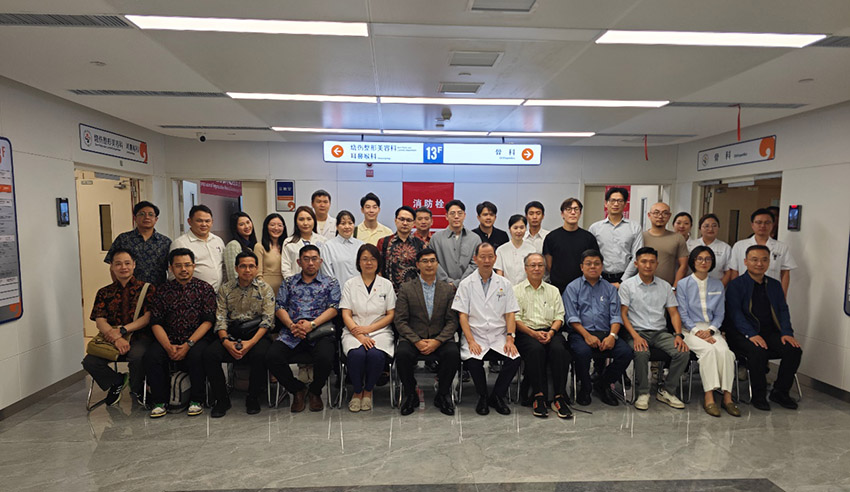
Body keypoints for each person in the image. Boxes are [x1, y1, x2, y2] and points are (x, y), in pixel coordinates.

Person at [724, 245, 802, 411]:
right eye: (754, 260)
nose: (759, 264)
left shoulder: (774, 285)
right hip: (741, 334)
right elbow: (735, 314)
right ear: (745, 262)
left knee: (793, 350)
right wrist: (750, 334)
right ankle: (758, 395)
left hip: (769, 332)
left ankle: (780, 392)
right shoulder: (736, 285)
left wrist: (787, 332)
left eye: (764, 260)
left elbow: (783, 310)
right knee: (758, 351)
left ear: (769, 262)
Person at [267, 245, 341, 413]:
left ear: (320, 261)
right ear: (299, 262)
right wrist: (292, 325)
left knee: (326, 357)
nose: (310, 263)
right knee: (272, 356)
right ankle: (297, 390)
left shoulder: (331, 282)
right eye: (306, 259)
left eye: (314, 259)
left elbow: (334, 308)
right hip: (292, 331)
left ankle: (315, 391)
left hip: (319, 331)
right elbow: (279, 307)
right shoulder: (289, 282)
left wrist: (311, 325)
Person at [144, 248, 216, 418]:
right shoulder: (162, 291)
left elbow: (208, 321)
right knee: (152, 356)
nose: (183, 269)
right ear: (171, 268)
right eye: (178, 266)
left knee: (197, 355)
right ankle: (159, 402)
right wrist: (168, 346)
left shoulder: (205, 289)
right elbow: (156, 322)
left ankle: (197, 399)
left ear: (194, 266)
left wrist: (188, 344)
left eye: (187, 265)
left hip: (196, 338)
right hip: (169, 338)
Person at [203, 251, 275, 417]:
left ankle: (253, 397)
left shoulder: (265, 289)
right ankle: (222, 399)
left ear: (256, 268)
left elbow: (267, 320)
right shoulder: (225, 289)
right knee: (210, 354)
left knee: (260, 354)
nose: (247, 270)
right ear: (236, 268)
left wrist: (251, 343)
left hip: (257, 333)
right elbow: (220, 319)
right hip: (231, 333)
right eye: (243, 266)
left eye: (251, 266)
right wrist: (226, 341)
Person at [452, 242, 521, 415]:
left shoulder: (505, 284)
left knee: (514, 359)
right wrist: (470, 341)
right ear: (475, 259)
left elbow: (510, 313)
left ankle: (497, 396)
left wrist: (510, 338)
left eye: (490, 257)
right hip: (475, 334)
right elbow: (462, 316)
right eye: (483, 257)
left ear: (495, 258)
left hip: (499, 335)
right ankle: (482, 396)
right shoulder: (466, 284)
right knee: (473, 360)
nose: (487, 260)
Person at [619, 247, 689, 411]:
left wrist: (678, 335)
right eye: (644, 261)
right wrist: (635, 336)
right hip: (636, 332)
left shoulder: (665, 286)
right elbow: (623, 314)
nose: (648, 265)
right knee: (641, 352)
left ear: (657, 264)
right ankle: (643, 393)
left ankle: (667, 390)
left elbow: (673, 313)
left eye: (652, 262)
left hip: (660, 333)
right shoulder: (627, 286)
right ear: (636, 264)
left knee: (682, 352)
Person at [82, 249, 154, 406]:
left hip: (139, 336)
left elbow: (147, 318)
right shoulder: (104, 292)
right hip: (111, 338)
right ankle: (117, 381)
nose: (123, 267)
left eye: (127, 263)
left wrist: (122, 331)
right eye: (118, 264)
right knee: (89, 361)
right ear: (112, 267)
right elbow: (100, 320)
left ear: (134, 265)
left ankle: (137, 389)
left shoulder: (147, 289)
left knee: (137, 357)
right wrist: (115, 338)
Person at [676, 246, 740, 417]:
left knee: (726, 353)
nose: (703, 262)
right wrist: (697, 331)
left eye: (708, 259)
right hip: (690, 330)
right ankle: (709, 397)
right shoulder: (683, 284)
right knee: (709, 351)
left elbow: (720, 313)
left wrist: (710, 331)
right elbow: (682, 313)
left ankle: (727, 398)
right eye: (699, 258)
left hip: (712, 329)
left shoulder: (717, 284)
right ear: (693, 261)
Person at [395, 248, 460, 416]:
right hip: (413, 338)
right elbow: (400, 320)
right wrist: (416, 341)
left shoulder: (447, 289)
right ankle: (411, 394)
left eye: (432, 261)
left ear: (437, 264)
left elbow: (452, 321)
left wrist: (437, 341)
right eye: (425, 261)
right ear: (417, 265)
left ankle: (443, 394)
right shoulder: (406, 288)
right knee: (402, 354)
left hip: (440, 338)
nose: (429, 264)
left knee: (453, 353)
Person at [564, 250, 633, 407]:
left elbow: (616, 316)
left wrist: (612, 336)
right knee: (582, 352)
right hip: (581, 333)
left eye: (597, 264)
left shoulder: (610, 289)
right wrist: (587, 336)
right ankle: (585, 388)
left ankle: (603, 383)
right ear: (581, 267)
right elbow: (572, 317)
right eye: (588, 264)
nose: (593, 267)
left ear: (602, 266)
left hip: (606, 333)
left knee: (626, 352)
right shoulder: (572, 288)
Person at [513, 253, 572, 419]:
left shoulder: (553, 290)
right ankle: (538, 395)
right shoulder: (516, 290)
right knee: (535, 350)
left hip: (550, 330)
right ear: (526, 269)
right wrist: (533, 333)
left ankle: (559, 396)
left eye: (540, 265)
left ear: (545, 268)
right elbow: (515, 318)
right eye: (533, 265)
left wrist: (551, 332)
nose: (536, 268)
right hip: (526, 332)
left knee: (559, 350)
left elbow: (559, 316)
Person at [340, 244, 396, 412]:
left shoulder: (386, 284)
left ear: (378, 262)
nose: (369, 263)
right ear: (358, 262)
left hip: (380, 331)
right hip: (354, 331)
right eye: (364, 259)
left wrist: (369, 329)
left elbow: (390, 314)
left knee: (375, 354)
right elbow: (346, 314)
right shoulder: (350, 284)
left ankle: (369, 391)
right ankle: (357, 391)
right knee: (356, 355)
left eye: (372, 259)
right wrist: (359, 334)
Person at [729, 208, 797, 297]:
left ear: (773, 224)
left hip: (771, 292)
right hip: (745, 291)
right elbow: (734, 272)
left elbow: (785, 273)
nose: (762, 226)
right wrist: (735, 294)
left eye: (767, 222)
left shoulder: (781, 247)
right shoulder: (739, 245)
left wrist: (782, 296)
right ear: (752, 225)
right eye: (759, 222)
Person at [105, 201, 171, 285]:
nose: (146, 217)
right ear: (135, 218)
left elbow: (171, 268)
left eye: (151, 214)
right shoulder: (123, 239)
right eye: (142, 214)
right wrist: (119, 287)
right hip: (129, 289)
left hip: (158, 289)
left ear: (156, 219)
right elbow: (113, 266)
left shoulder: (165, 242)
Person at [588, 187, 643, 287]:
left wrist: (623, 281)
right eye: (613, 200)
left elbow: (637, 256)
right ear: (606, 203)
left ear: (625, 204)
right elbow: (590, 255)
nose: (616, 204)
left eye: (620, 201)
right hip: (599, 278)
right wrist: (598, 278)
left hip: (627, 279)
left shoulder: (635, 227)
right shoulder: (595, 228)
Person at [544, 198, 600, 293]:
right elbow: (549, 264)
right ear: (562, 214)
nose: (573, 212)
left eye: (576, 209)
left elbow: (594, 262)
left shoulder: (588, 238)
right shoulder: (551, 237)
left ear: (580, 213)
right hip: (558, 288)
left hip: (583, 287)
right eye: (569, 209)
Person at [170, 204, 226, 291]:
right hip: (193, 295)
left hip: (219, 294)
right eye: (199, 221)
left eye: (207, 221)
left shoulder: (218, 240)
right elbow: (173, 274)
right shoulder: (180, 243)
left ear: (212, 222)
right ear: (189, 221)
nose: (204, 224)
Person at [634, 202, 688, 287]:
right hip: (640, 287)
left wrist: (675, 288)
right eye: (656, 213)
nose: (660, 216)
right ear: (649, 215)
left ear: (669, 216)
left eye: (665, 213)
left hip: (667, 287)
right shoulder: (640, 237)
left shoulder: (678, 238)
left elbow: (683, 265)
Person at [430, 199, 481, 287]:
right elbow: (433, 262)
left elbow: (475, 264)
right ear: (446, 216)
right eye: (452, 213)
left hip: (468, 287)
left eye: (460, 213)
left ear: (464, 215)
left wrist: (459, 283)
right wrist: (447, 281)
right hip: (442, 287)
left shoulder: (475, 239)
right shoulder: (436, 238)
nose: (456, 216)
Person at [377, 206, 425, 292]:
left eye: (409, 220)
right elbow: (378, 268)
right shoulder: (384, 242)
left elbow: (424, 270)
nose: (405, 223)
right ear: (395, 220)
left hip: (414, 293)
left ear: (413, 223)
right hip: (389, 292)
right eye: (402, 219)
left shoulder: (420, 244)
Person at [320, 210, 365, 288]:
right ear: (337, 226)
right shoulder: (328, 246)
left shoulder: (361, 245)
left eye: (350, 223)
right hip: (338, 291)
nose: (347, 227)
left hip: (360, 290)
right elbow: (327, 274)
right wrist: (335, 291)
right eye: (343, 223)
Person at [282, 206, 327, 278]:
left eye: (309, 219)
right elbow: (285, 268)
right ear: (296, 222)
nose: (305, 223)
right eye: (301, 219)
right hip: (295, 282)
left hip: (319, 283)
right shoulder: (288, 242)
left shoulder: (324, 241)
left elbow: (325, 266)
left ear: (314, 221)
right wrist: (293, 283)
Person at [687, 213, 732, 286]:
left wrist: (719, 287)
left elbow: (728, 272)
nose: (710, 229)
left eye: (714, 226)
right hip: (692, 285)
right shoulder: (691, 245)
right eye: (706, 226)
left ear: (718, 227)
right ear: (700, 228)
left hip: (716, 285)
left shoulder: (725, 248)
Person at [494, 215, 536, 286]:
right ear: (509, 229)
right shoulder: (501, 250)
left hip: (526, 288)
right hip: (507, 288)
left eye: (522, 228)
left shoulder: (531, 249)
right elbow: (499, 273)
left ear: (526, 229)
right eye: (515, 228)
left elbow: (533, 272)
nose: (519, 231)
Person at [254, 213, 287, 294]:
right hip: (266, 291)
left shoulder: (287, 246)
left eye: (280, 225)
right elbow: (258, 274)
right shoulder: (259, 246)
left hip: (285, 290)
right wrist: (265, 290)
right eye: (272, 225)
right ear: (266, 227)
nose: (276, 228)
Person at [223, 212, 257, 284]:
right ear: (235, 228)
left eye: (248, 222)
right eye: (241, 224)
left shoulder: (251, 245)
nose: (247, 226)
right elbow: (233, 275)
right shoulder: (233, 245)